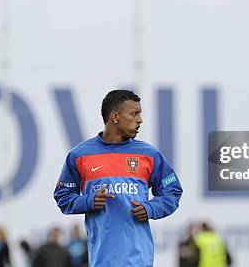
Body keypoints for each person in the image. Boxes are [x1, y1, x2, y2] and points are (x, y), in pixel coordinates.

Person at [54, 89, 183, 267]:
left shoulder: (149, 154)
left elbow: (173, 190)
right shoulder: (79, 155)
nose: (140, 119)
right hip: (101, 260)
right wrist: (89, 201)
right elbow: (63, 196)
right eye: (134, 113)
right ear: (115, 116)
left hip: (139, 261)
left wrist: (151, 208)